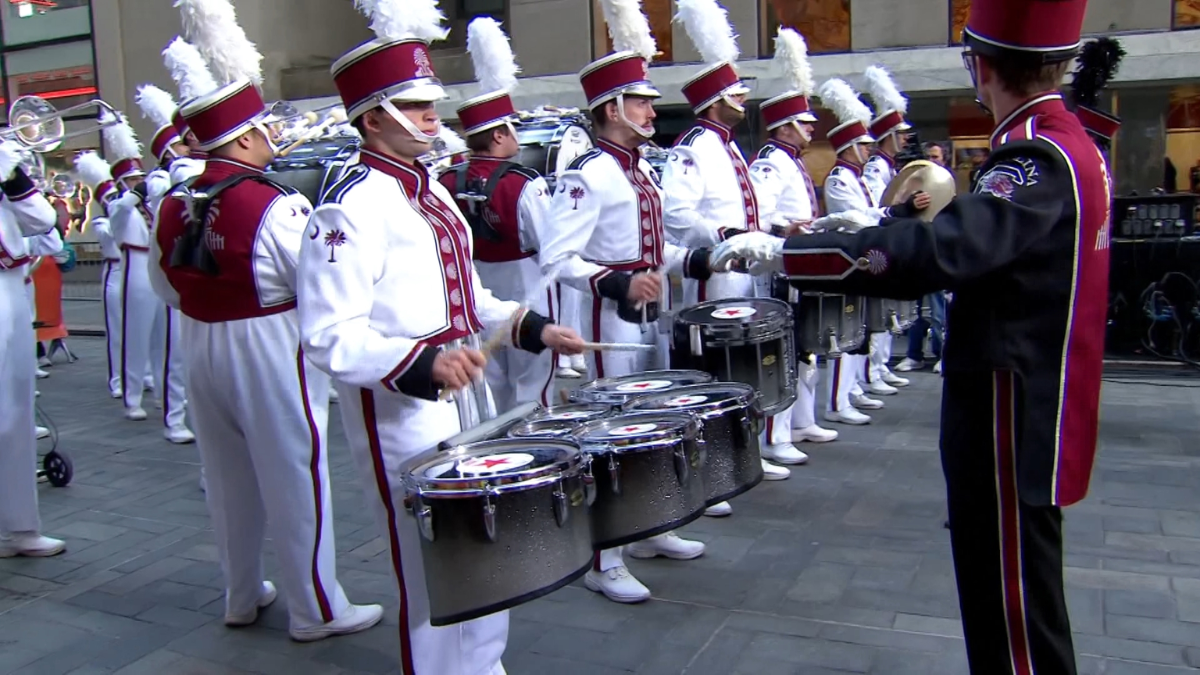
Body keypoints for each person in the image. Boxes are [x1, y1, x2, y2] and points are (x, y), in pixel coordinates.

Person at [714, 0, 1107, 670]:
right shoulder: (1068, 143)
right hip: (1030, 394)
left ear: (981, 67)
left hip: (1008, 408)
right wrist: (840, 232)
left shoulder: (1035, 155)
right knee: (1014, 600)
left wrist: (790, 258)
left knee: (1011, 611)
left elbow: (941, 252)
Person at [297, 11, 583, 670]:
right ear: (373, 117)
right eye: (417, 107)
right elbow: (329, 336)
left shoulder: (434, 195)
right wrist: (423, 363)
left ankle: (482, 663)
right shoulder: (349, 209)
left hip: (465, 398)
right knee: (429, 569)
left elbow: (470, 297)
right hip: (400, 409)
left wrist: (532, 327)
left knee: (486, 540)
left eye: (432, 107)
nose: (434, 118)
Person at [153, 0, 381, 642]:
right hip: (268, 343)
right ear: (247, 136)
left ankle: (241, 591)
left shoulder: (173, 200)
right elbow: (314, 285)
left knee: (225, 477)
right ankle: (317, 609)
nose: (274, 139)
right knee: (294, 472)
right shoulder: (275, 202)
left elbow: (163, 284)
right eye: (265, 131)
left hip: (201, 342)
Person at [536, 5, 715, 601]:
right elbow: (557, 259)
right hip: (605, 322)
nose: (650, 110)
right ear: (610, 108)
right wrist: (617, 283)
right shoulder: (589, 173)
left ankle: (648, 528)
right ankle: (602, 559)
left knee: (649, 423)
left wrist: (698, 260)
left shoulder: (640, 171)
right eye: (639, 100)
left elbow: (652, 245)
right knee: (608, 432)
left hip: (647, 318)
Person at [666, 0, 792, 485]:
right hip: (713, 277)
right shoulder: (695, 146)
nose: (743, 101)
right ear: (714, 102)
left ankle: (741, 456)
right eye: (735, 95)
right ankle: (710, 471)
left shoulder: (726, 144)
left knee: (740, 367)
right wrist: (723, 237)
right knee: (709, 373)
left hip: (741, 275)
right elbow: (677, 212)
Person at [438, 17, 556, 411]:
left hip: (477, 288)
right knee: (532, 384)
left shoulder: (446, 179)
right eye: (512, 129)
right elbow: (549, 247)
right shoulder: (525, 183)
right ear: (500, 135)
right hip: (527, 288)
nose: (517, 137)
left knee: (493, 385)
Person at [814, 78, 927, 425]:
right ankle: (839, 398)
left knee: (861, 326)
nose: (868, 149)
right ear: (848, 146)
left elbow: (875, 211)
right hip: (849, 259)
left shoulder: (858, 176)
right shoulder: (839, 178)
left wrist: (896, 213)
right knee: (845, 330)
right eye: (862, 145)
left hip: (862, 256)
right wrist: (893, 214)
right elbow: (857, 219)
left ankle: (856, 385)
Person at [748, 28, 837, 454]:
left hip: (797, 265)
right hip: (778, 268)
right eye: (803, 123)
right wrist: (787, 228)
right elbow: (759, 214)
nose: (810, 129)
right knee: (783, 349)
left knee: (806, 349)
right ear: (784, 128)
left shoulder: (791, 161)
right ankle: (774, 436)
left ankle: (801, 422)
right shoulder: (771, 161)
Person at [0, 140, 67, 558]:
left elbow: (42, 220)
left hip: (11, 293)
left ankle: (19, 527)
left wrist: (13, 176)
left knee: (17, 413)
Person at [860, 65, 915, 395]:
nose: (906, 139)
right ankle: (872, 371)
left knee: (886, 313)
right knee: (873, 316)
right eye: (901, 134)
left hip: (887, 239)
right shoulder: (876, 167)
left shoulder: (888, 166)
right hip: (875, 244)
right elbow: (878, 206)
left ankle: (879, 367)